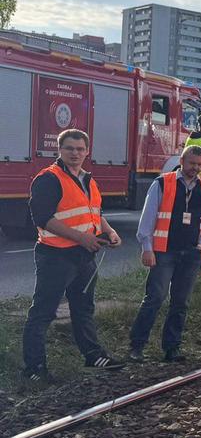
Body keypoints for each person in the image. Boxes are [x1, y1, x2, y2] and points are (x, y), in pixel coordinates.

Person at [22, 129, 125, 381]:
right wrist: (82, 238)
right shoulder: (48, 178)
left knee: (83, 308)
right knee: (43, 312)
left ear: (87, 151)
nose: (75, 153)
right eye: (69, 148)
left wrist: (110, 232)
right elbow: (42, 218)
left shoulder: (88, 179)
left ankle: (93, 356)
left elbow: (95, 214)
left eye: (80, 149)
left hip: (84, 256)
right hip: (56, 256)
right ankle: (34, 368)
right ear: (59, 150)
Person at [128, 146, 201, 362]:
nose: (195, 168)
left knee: (181, 302)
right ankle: (136, 346)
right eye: (192, 163)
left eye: (199, 165)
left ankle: (172, 348)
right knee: (155, 298)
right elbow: (148, 218)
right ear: (182, 161)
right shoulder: (162, 183)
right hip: (164, 251)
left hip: (191, 253)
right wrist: (147, 248)